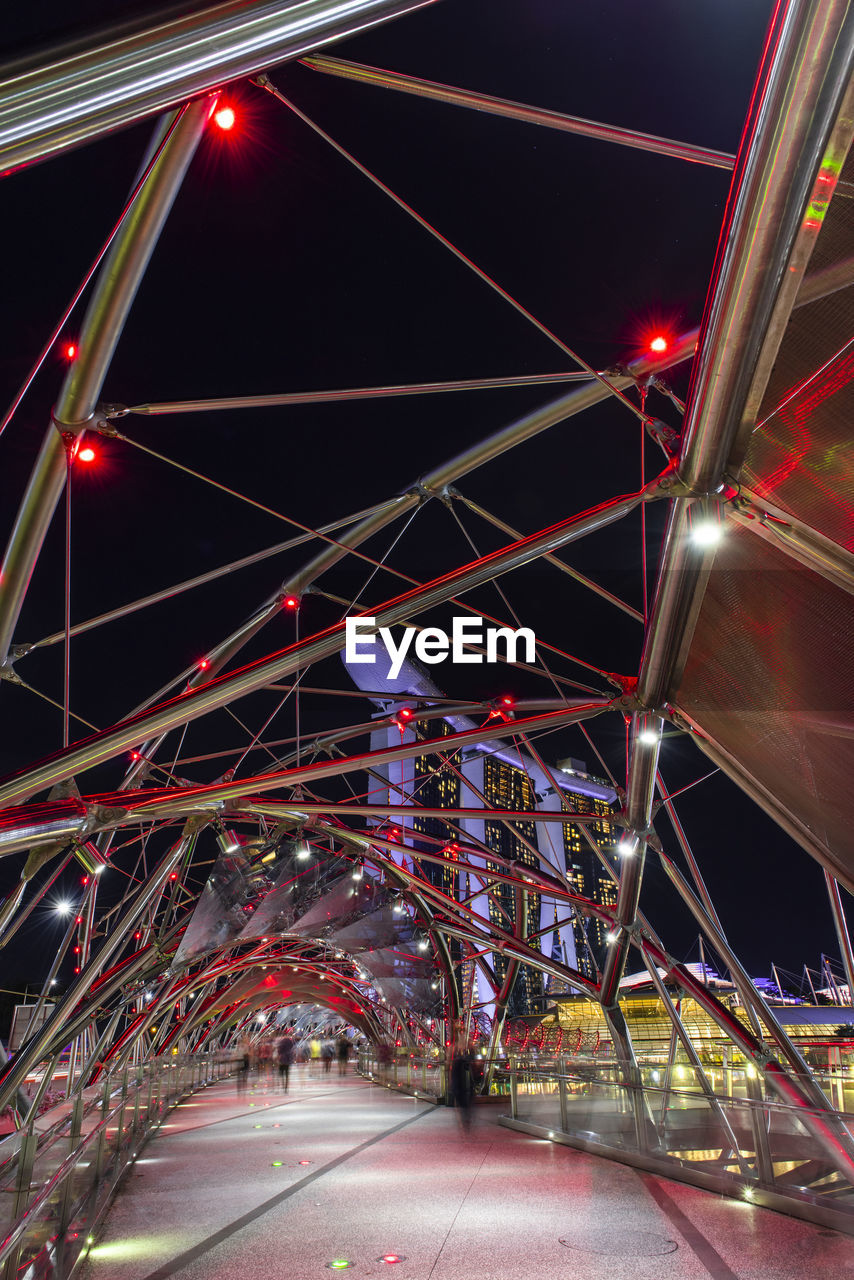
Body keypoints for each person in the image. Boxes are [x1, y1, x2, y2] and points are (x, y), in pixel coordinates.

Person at [450, 1038, 474, 1130]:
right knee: (463, 1103)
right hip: (462, 1086)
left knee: (462, 1103)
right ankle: (464, 1120)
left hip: (461, 1085)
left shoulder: (457, 1061)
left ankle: (463, 1121)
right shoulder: (461, 1061)